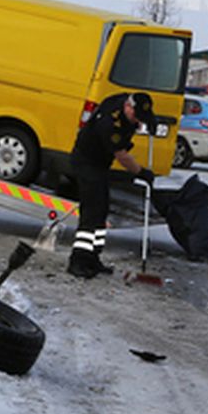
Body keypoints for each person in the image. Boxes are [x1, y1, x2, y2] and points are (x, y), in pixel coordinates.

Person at [69, 91, 157, 278]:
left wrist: (151, 122)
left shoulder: (124, 100)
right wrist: (141, 172)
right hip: (87, 162)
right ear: (128, 107)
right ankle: (78, 261)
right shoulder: (111, 124)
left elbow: (139, 114)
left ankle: (93, 258)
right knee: (92, 212)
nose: (137, 122)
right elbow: (122, 156)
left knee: (102, 211)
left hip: (100, 165)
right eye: (136, 117)